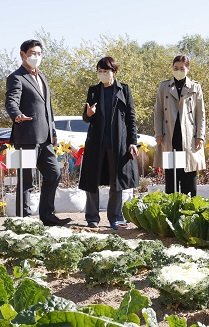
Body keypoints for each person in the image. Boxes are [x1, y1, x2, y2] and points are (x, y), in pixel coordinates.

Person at [5, 39, 71, 226]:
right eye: (32, 53)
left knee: (54, 173)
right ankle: (23, 220)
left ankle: (47, 216)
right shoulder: (16, 77)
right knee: (25, 180)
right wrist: (16, 114)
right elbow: (11, 101)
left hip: (45, 139)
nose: (36, 57)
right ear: (22, 55)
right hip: (25, 137)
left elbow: (47, 108)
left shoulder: (42, 77)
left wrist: (54, 133)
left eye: (39, 53)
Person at [79, 56, 139, 230]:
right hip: (96, 142)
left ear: (114, 71)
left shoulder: (124, 90)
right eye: (99, 71)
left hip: (118, 142)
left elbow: (131, 118)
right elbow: (85, 117)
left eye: (106, 71)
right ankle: (92, 218)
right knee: (91, 179)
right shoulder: (93, 90)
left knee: (117, 180)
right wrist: (89, 113)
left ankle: (115, 217)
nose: (102, 74)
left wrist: (132, 142)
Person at [153, 55, 206, 196]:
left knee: (189, 178)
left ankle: (189, 213)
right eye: (175, 68)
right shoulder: (164, 86)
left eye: (182, 68)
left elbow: (201, 114)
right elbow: (158, 112)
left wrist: (200, 136)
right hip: (169, 137)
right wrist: (158, 133)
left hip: (189, 138)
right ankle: (173, 213)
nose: (178, 71)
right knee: (171, 180)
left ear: (187, 69)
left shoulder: (195, 87)